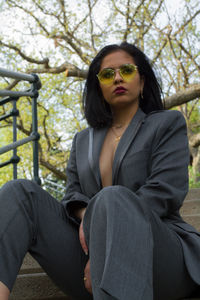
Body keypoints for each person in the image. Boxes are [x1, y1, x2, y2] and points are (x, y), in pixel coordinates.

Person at [0, 42, 200, 300]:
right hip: (88, 260)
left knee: (112, 197)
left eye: (126, 70)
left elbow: (165, 192)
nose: (117, 77)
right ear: (99, 87)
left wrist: (105, 236)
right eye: (107, 74)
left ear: (142, 82)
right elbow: (71, 194)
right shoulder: (82, 140)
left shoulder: (166, 124)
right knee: (18, 192)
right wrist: (95, 232)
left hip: (160, 254)